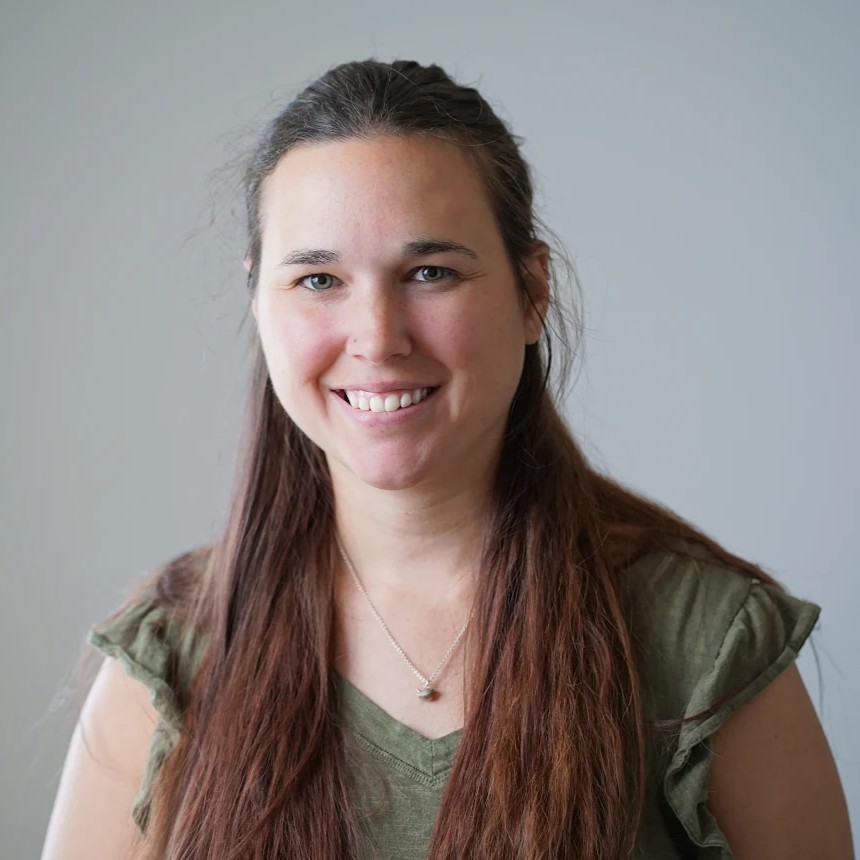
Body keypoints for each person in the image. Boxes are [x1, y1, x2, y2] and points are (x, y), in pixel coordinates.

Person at [41, 59, 853, 860]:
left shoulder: (703, 645)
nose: (377, 339)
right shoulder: (172, 658)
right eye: (319, 279)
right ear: (260, 301)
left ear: (531, 291)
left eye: (429, 273)